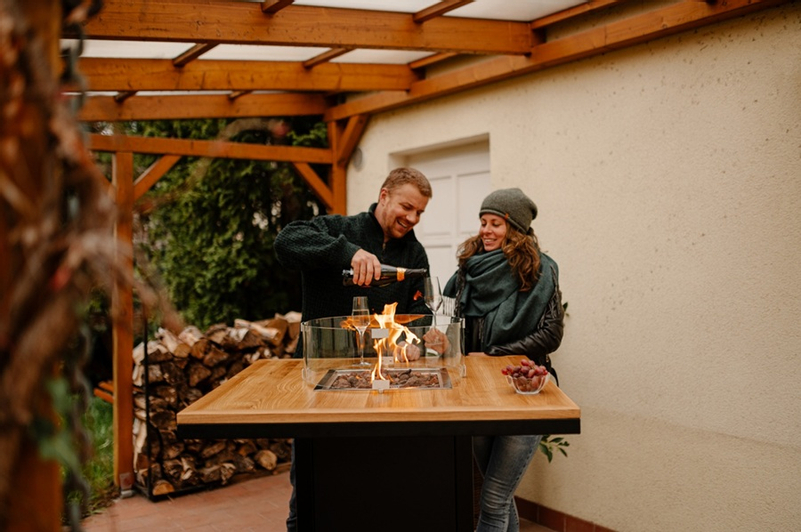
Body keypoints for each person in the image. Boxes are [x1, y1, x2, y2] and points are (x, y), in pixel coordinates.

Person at [274, 166, 433, 531]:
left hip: (376, 386)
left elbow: (420, 310)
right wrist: (348, 252)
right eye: (407, 207)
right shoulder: (337, 229)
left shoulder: (414, 253)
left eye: (419, 212)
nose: (412, 218)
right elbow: (285, 242)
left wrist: (415, 340)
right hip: (318, 383)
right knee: (311, 491)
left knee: (364, 487)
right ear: (384, 196)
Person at [442, 187, 564, 532]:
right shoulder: (468, 270)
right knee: (500, 497)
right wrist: (442, 341)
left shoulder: (541, 271)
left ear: (515, 229)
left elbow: (551, 334)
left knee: (494, 498)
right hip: (477, 391)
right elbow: (452, 323)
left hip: (522, 389)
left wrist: (494, 353)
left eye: (496, 223)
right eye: (483, 222)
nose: (486, 230)